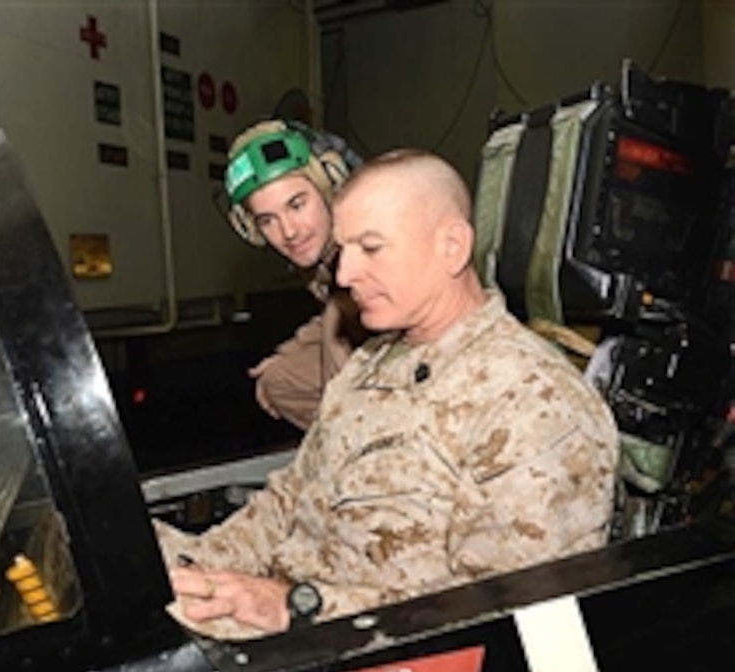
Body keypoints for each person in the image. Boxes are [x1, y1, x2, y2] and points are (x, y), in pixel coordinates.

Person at [156, 149, 620, 640]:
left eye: (371, 248)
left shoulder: (533, 402)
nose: (344, 274)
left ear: (452, 246)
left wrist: (299, 608)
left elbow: (504, 619)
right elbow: (290, 503)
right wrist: (196, 570)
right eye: (343, 249)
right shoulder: (370, 364)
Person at [224, 120, 369, 431]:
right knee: (279, 380)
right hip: (370, 351)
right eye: (267, 220)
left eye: (297, 204)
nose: (288, 232)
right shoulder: (326, 259)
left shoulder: (373, 241)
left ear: (330, 186)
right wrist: (285, 355)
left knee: (334, 322)